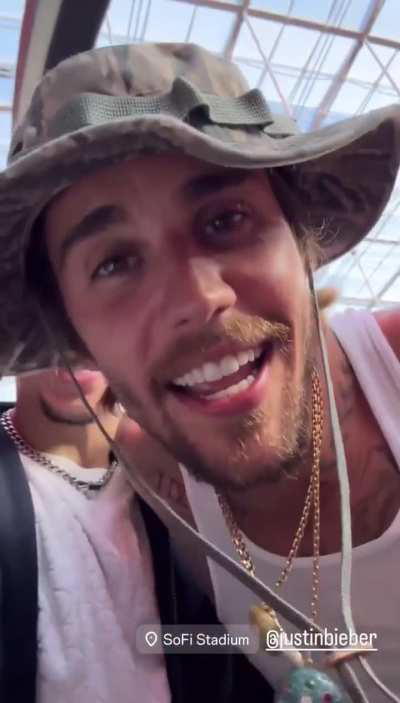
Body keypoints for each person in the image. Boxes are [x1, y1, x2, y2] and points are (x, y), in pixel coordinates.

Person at [0, 41, 399, 702]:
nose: (196, 300)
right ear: (74, 335)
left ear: (301, 231)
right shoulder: (153, 483)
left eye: (226, 219)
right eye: (115, 262)